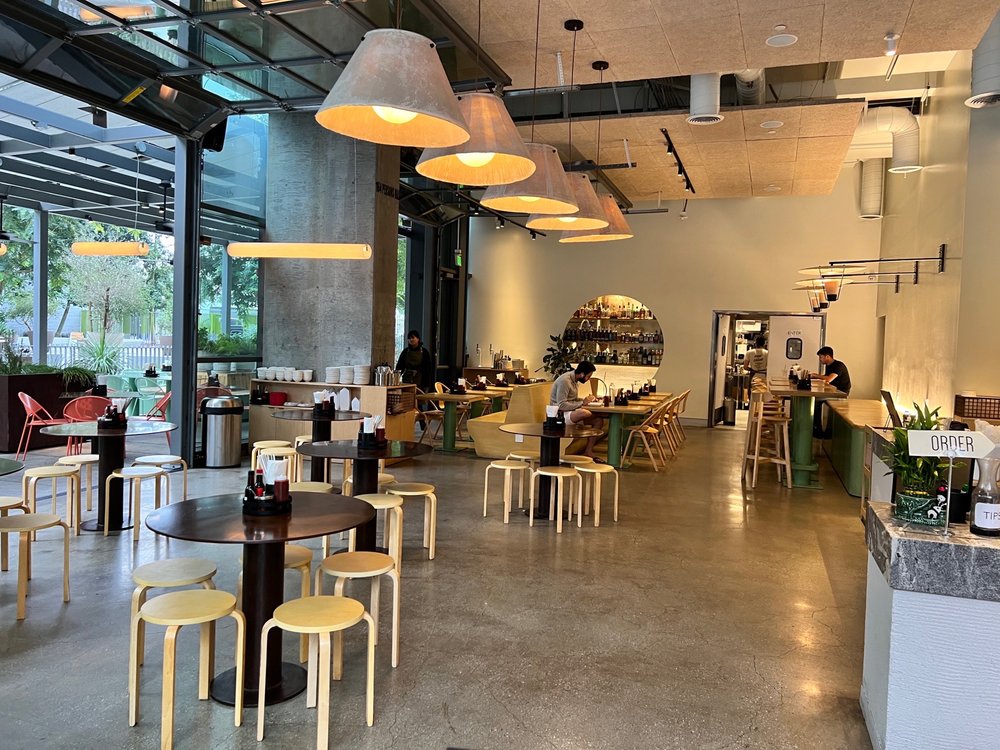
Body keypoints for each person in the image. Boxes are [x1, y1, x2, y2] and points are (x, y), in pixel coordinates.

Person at [550, 362, 605, 460]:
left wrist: (586, 400)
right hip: (559, 415)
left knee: (598, 420)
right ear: (582, 374)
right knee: (584, 412)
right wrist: (582, 403)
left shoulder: (574, 380)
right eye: (588, 376)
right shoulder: (565, 381)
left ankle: (588, 451)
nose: (588, 379)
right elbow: (561, 405)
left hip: (569, 412)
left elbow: (572, 400)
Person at [812, 346, 851, 438]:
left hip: (840, 393)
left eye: (821, 357)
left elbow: (828, 379)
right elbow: (826, 378)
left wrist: (815, 376)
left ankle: (818, 430)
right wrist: (816, 377)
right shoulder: (828, 366)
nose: (820, 359)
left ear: (827, 356)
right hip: (833, 392)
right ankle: (818, 429)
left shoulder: (839, 365)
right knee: (816, 400)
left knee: (816, 401)